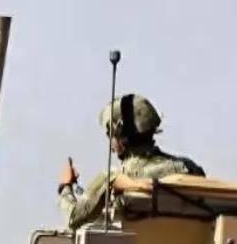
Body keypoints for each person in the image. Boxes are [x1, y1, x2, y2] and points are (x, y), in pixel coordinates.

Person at [60, 93, 206, 228]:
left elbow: (73, 218)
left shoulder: (112, 178)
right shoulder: (189, 169)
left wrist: (65, 187)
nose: (111, 142)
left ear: (119, 133)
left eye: (110, 135)